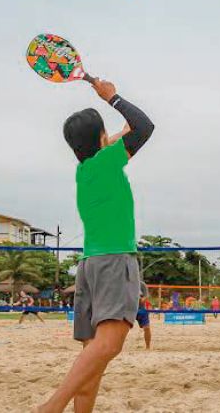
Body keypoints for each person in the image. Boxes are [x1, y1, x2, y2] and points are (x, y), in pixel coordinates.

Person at [35, 78, 154, 413]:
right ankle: (51, 406)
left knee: (93, 361)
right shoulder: (106, 162)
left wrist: (107, 105)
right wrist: (111, 97)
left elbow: (129, 131)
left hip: (89, 265)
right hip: (114, 260)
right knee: (108, 346)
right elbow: (144, 127)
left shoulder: (85, 168)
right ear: (102, 139)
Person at [135, 281, 152, 350]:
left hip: (141, 308)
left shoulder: (141, 284)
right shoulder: (124, 282)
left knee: (147, 328)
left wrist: (141, 300)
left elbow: (146, 296)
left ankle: (148, 347)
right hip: (128, 309)